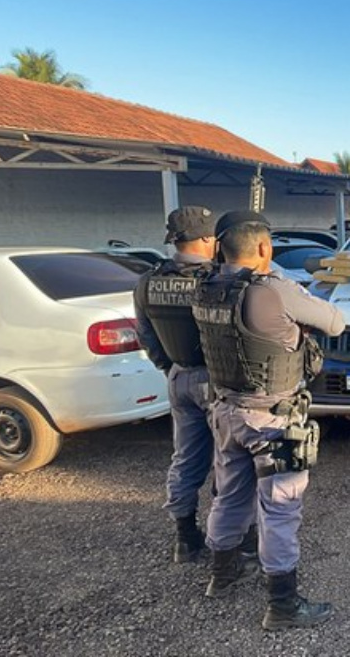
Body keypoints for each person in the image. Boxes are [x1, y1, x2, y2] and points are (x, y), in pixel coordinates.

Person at [191, 210, 345, 630]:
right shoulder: (273, 290)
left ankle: (220, 576)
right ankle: (282, 604)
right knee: (279, 509)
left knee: (228, 497)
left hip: (225, 411)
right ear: (264, 248)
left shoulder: (205, 288)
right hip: (272, 419)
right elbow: (335, 321)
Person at [133, 206, 218, 563]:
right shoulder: (214, 280)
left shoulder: (148, 281)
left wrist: (169, 367)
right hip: (218, 380)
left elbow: (146, 335)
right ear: (203, 239)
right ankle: (232, 540)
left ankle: (185, 537)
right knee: (230, 461)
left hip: (179, 377)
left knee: (185, 459)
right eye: (212, 237)